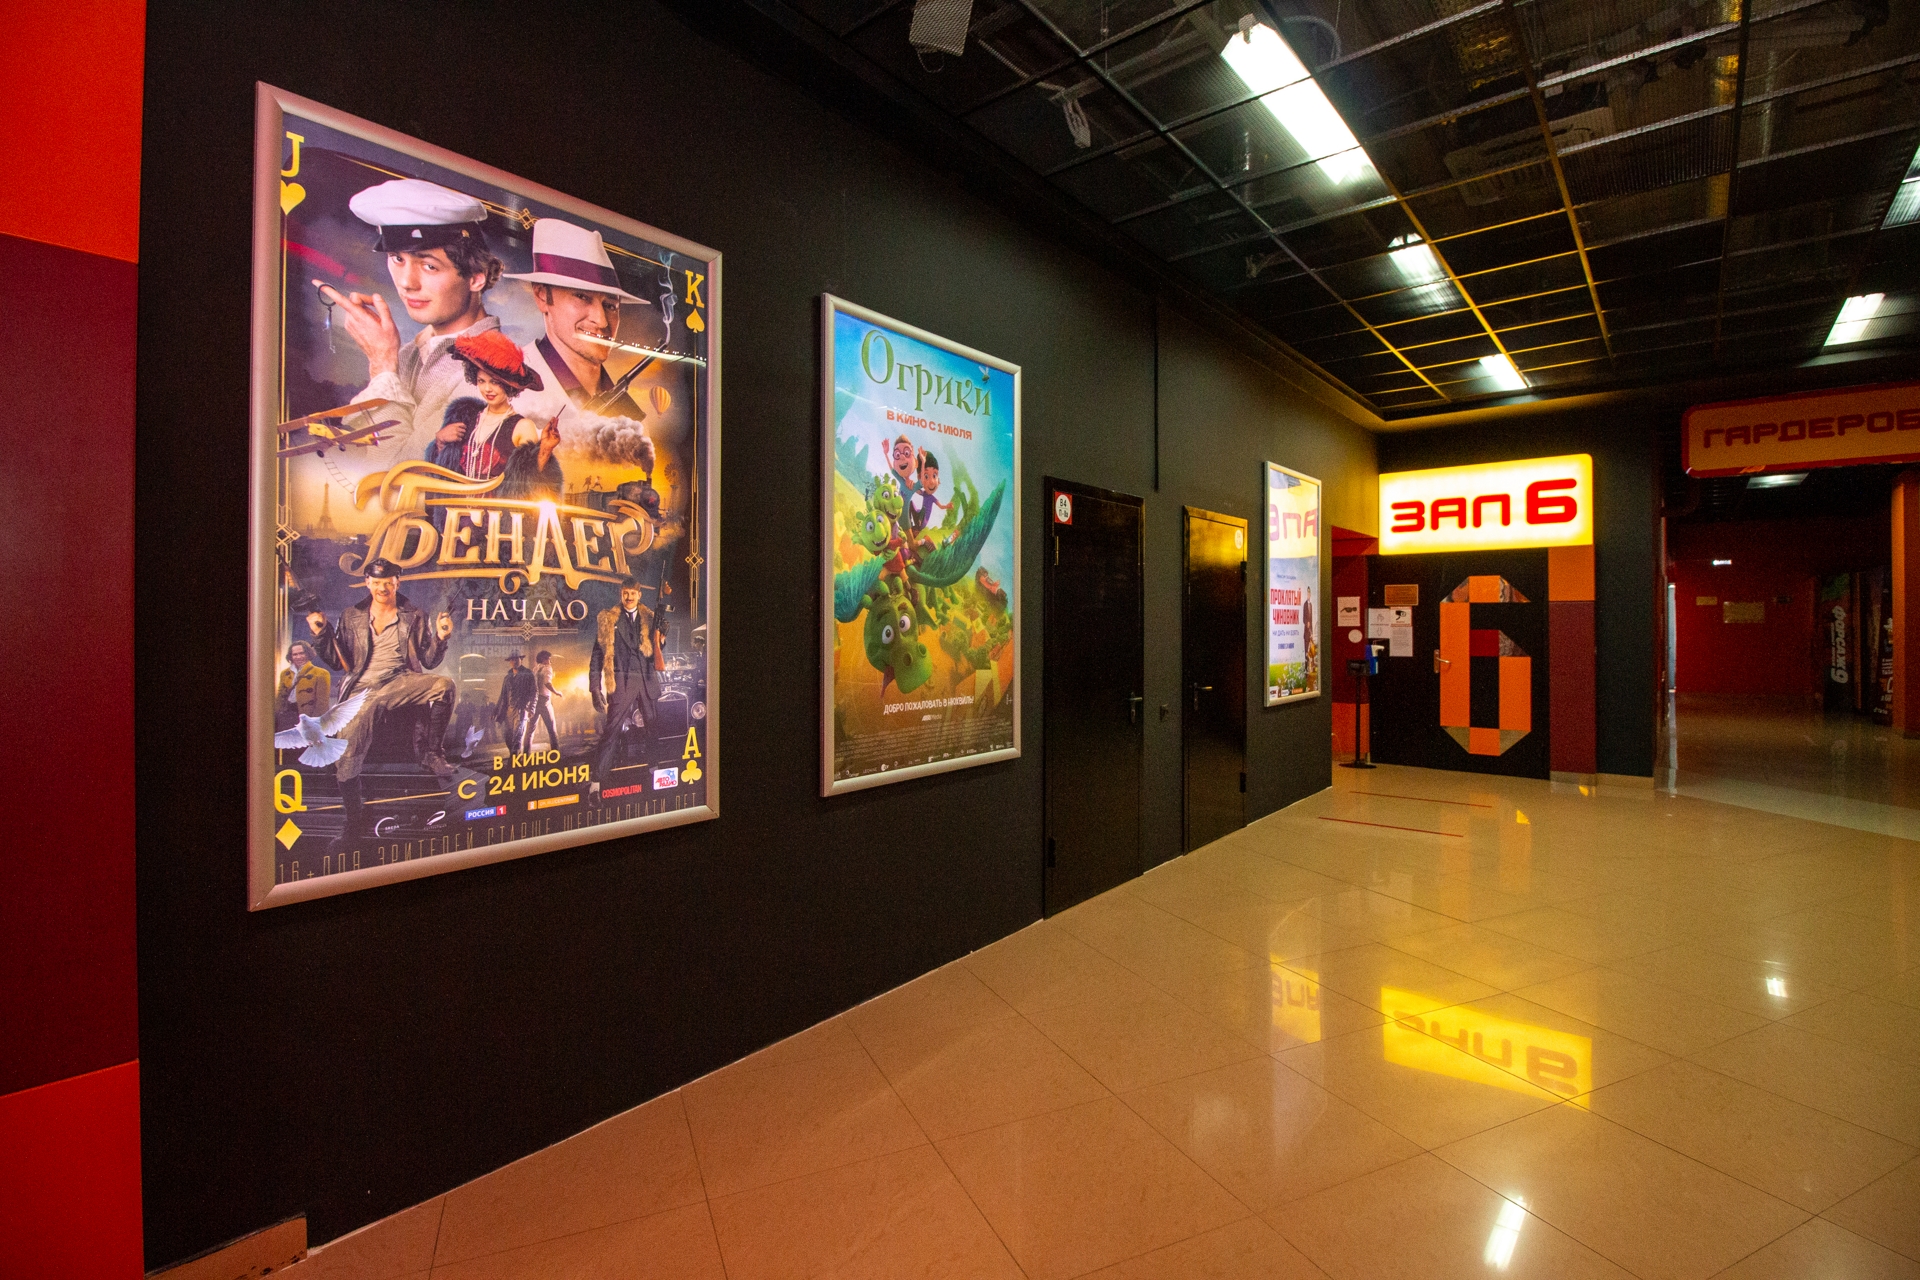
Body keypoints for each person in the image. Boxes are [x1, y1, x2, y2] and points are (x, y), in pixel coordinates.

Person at [315, 178, 506, 457]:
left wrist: (382, 364)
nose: (406, 283)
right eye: (397, 259)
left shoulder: (489, 373)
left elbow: (392, 473)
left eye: (429, 266)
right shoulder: (409, 354)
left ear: (477, 277)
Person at [305, 559, 456, 852]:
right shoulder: (351, 615)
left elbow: (428, 661)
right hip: (363, 688)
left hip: (400, 681)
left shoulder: (415, 614)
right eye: (376, 582)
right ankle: (354, 820)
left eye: (388, 582)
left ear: (398, 582)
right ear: (367, 582)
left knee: (444, 686)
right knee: (346, 757)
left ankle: (432, 753)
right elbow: (337, 661)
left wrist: (441, 636)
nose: (382, 588)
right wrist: (321, 632)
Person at [506, 218, 650, 419]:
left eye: (610, 306)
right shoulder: (506, 387)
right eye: (582, 297)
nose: (602, 321)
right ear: (542, 296)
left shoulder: (626, 412)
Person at [430, 330, 545, 480]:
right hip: (456, 495)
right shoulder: (466, 417)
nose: (487, 389)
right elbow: (443, 472)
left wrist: (546, 449)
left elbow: (528, 482)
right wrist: (440, 441)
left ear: (509, 385)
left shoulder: (523, 426)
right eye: (481, 381)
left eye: (495, 382)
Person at [589, 577, 663, 795]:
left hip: (646, 680)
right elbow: (596, 656)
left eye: (633, 593)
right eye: (625, 593)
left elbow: (658, 650)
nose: (629, 597)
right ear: (621, 594)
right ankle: (596, 783)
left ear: (639, 595)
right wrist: (595, 688)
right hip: (622, 683)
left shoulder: (651, 618)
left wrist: (661, 639)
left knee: (653, 728)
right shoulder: (607, 619)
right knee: (611, 731)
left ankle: (655, 771)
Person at [275, 641, 332, 731]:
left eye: (302, 653)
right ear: (291, 657)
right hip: (286, 716)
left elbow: (322, 703)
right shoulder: (285, 673)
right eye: (295, 654)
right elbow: (280, 698)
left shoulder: (321, 673)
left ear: (308, 654)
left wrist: (314, 723)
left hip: (306, 717)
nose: (298, 657)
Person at [905, 449, 950, 550]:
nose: (931, 482)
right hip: (919, 516)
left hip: (923, 519)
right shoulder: (925, 494)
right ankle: (911, 525)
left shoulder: (932, 498)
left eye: (934, 475)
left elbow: (940, 506)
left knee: (923, 510)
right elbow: (917, 491)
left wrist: (947, 506)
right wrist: (910, 483)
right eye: (926, 476)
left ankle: (922, 535)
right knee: (911, 504)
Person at [494, 652, 536, 753]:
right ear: (510, 662)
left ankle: (514, 758)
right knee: (508, 737)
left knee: (518, 736)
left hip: (521, 710)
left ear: (521, 660)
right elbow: (502, 695)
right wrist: (495, 710)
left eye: (516, 659)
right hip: (508, 712)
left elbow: (534, 692)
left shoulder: (528, 674)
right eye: (512, 660)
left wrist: (532, 707)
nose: (514, 661)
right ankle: (515, 755)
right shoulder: (507, 678)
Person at [526, 649, 563, 752]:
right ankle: (555, 752)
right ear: (544, 659)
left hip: (534, 701)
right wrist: (556, 692)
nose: (550, 661)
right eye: (549, 659)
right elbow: (547, 682)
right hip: (544, 701)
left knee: (530, 730)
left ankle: (526, 753)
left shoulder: (535, 669)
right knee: (552, 729)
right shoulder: (547, 668)